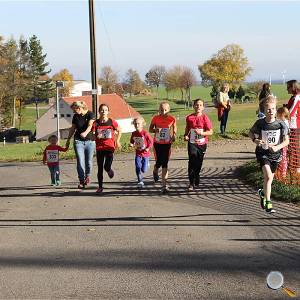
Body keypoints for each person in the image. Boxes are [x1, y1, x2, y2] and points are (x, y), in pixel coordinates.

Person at [249, 96, 289, 213]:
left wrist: (277, 147)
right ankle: (268, 202)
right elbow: (250, 133)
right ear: (264, 111)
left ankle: (263, 194)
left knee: (268, 179)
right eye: (268, 109)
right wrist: (255, 140)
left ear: (276, 110)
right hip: (263, 153)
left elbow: (286, 141)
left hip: (275, 155)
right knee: (269, 176)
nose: (270, 111)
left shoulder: (281, 124)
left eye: (272, 109)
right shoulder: (260, 123)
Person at [92, 104, 121, 194]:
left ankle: (109, 170)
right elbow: (93, 136)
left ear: (108, 112)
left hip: (109, 147)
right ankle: (100, 187)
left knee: (106, 166)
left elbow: (119, 130)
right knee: (100, 168)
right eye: (102, 110)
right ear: (99, 111)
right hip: (100, 147)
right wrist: (97, 136)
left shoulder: (112, 122)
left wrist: (118, 141)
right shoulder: (95, 123)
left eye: (105, 110)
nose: (103, 111)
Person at [184, 99, 213, 190]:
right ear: (193, 106)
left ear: (203, 107)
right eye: (196, 105)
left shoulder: (205, 118)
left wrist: (202, 134)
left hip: (202, 143)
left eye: (200, 105)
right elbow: (187, 129)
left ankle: (197, 175)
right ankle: (191, 183)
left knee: (199, 162)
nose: (198, 107)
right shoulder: (189, 118)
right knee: (192, 160)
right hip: (192, 142)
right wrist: (185, 136)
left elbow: (210, 132)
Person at [66, 101, 95, 189]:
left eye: (74, 110)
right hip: (78, 141)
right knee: (80, 160)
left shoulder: (90, 114)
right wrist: (68, 140)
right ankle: (81, 181)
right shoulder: (75, 116)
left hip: (90, 141)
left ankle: (87, 176)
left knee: (89, 161)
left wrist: (85, 133)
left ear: (79, 108)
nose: (73, 112)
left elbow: (90, 125)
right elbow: (73, 128)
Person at [149, 102, 177, 194]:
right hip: (157, 144)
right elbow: (150, 129)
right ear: (159, 110)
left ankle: (164, 185)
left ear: (168, 110)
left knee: (165, 163)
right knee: (159, 162)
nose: (163, 112)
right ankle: (155, 170)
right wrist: (155, 130)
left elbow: (174, 128)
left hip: (167, 144)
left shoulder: (172, 119)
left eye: (165, 110)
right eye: (161, 110)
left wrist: (174, 136)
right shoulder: (155, 118)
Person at [130, 117, 153, 187]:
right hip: (138, 153)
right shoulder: (133, 133)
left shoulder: (145, 133)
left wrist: (148, 148)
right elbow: (132, 141)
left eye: (138, 124)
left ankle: (147, 164)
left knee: (144, 170)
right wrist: (131, 144)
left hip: (145, 154)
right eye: (135, 124)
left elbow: (151, 141)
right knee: (137, 167)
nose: (137, 125)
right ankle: (140, 181)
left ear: (142, 125)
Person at [285, 80, 300, 174]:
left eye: (288, 87)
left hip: (295, 125)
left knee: (294, 146)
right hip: (292, 124)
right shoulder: (294, 97)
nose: (287, 89)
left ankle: (297, 167)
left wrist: (282, 115)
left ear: (292, 87)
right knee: (292, 146)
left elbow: (291, 112)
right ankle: (293, 166)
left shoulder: (297, 97)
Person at [276, 107, 290, 178]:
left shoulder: (284, 123)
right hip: (281, 143)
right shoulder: (285, 122)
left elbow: (285, 134)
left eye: (277, 114)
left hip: (283, 144)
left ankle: (283, 174)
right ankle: (280, 173)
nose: (276, 116)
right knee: (281, 158)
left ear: (282, 114)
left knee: (283, 158)